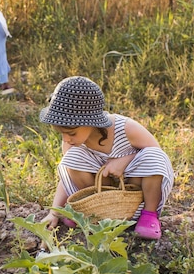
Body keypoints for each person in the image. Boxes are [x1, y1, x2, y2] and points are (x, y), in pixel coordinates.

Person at [39, 76, 174, 239]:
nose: (66, 139)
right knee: (72, 158)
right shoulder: (72, 143)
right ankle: (92, 213)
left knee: (153, 156)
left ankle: (149, 216)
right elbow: (66, 178)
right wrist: (54, 212)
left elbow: (157, 156)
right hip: (102, 197)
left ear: (91, 121)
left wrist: (124, 161)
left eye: (71, 133)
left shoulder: (126, 129)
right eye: (61, 134)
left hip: (133, 197)